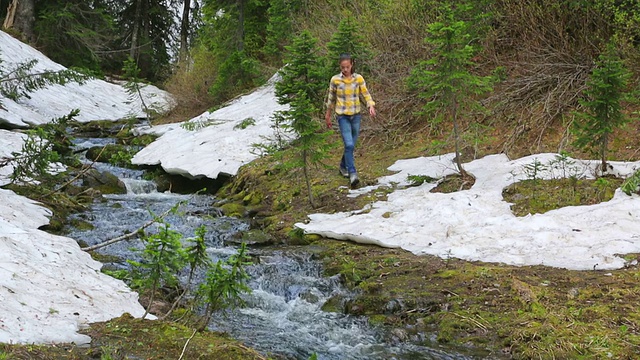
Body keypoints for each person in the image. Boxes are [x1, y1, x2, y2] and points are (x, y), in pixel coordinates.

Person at [324, 53, 376, 188]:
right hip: (342, 116)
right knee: (348, 144)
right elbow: (331, 99)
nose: (345, 70)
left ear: (351, 65)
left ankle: (342, 166)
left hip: (356, 116)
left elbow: (366, 93)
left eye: (347, 67)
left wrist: (370, 105)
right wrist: (328, 115)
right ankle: (353, 174)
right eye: (342, 67)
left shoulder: (358, 79)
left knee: (351, 144)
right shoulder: (335, 80)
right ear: (340, 66)